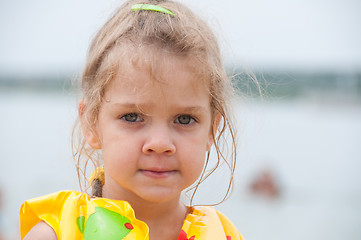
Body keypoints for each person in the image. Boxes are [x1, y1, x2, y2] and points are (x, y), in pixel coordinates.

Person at [19, 0, 241, 239]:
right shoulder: (59, 233)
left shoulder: (221, 234)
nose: (160, 143)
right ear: (91, 123)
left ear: (211, 130)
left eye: (185, 119)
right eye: (132, 117)